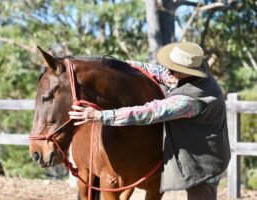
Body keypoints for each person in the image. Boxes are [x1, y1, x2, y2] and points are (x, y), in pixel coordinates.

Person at [68, 42, 231, 200]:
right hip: (196, 152)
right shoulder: (191, 75)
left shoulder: (189, 100)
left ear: (186, 72)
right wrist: (116, 66)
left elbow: (149, 112)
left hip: (204, 162)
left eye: (174, 69)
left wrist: (100, 116)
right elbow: (158, 72)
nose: (168, 71)